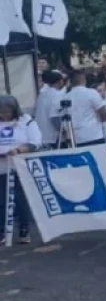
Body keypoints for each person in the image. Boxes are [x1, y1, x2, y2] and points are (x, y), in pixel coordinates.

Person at [0, 95, 41, 244]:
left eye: (7, 111)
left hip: (19, 168)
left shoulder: (26, 121)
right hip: (2, 167)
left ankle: (24, 229)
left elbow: (35, 142)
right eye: (1, 112)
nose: (4, 115)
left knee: (20, 199)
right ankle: (2, 231)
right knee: (1, 201)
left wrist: (19, 150)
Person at [64, 69, 106, 147]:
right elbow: (103, 112)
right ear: (84, 79)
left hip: (75, 137)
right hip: (94, 135)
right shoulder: (91, 93)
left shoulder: (66, 97)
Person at [34, 70, 64, 149]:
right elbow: (55, 117)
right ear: (60, 81)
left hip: (41, 134)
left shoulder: (42, 95)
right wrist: (63, 132)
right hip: (52, 137)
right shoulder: (58, 95)